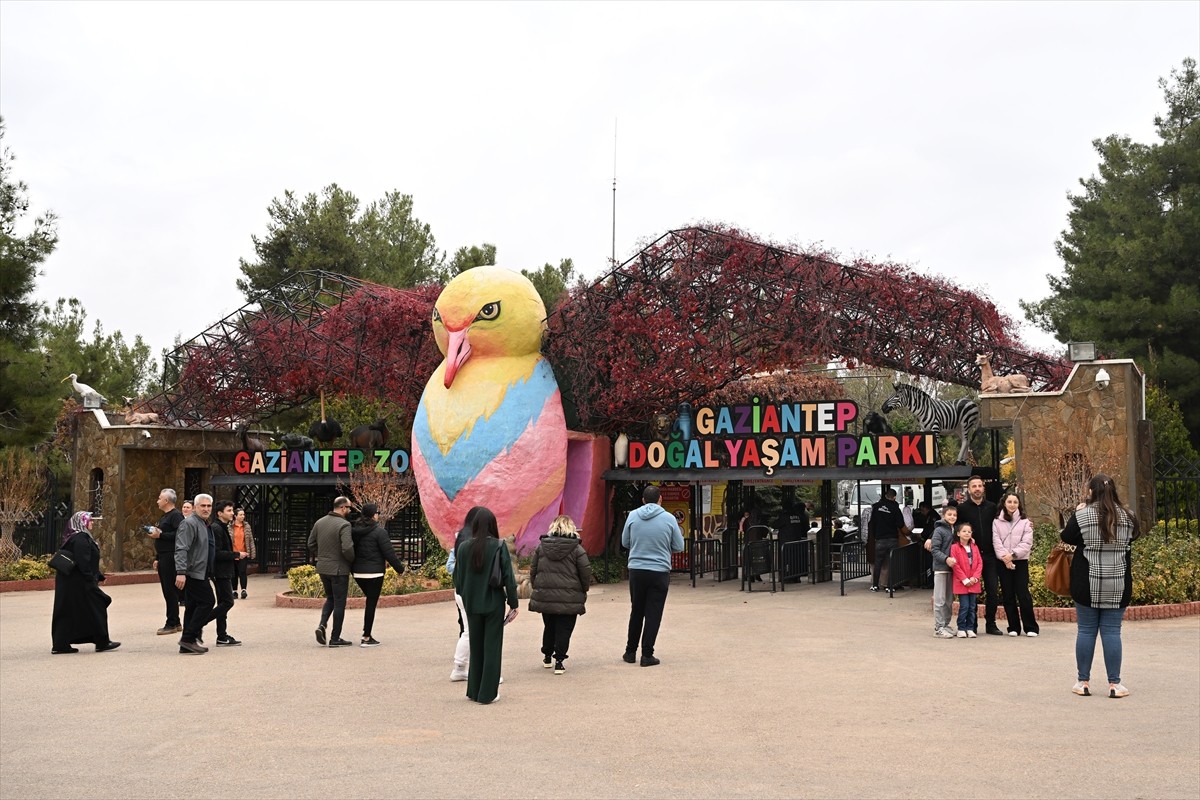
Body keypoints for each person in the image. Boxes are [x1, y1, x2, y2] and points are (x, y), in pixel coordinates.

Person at [1061, 473, 1141, 699]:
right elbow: (1134, 537)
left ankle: (1083, 681)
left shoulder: (1083, 515)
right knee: (1112, 631)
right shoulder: (1129, 516)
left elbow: (1067, 537)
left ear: (1090, 491)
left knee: (1086, 630)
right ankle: (1115, 683)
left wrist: (1078, 513)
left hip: (1086, 581)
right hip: (1118, 581)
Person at [452, 507, 518, 704]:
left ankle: (473, 690)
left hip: (472, 604)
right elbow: (509, 577)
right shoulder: (499, 545)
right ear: (492, 524)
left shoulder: (463, 548)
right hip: (493, 603)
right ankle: (488, 692)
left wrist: (467, 596)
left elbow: (458, 579)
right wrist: (513, 603)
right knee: (492, 647)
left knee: (476, 646)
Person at [621, 485, 685, 667]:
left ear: (642, 500)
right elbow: (679, 546)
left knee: (637, 611)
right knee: (653, 614)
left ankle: (630, 651)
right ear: (660, 499)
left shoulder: (632, 516)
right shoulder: (669, 519)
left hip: (636, 570)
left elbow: (625, 542)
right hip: (659, 571)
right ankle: (647, 655)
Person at [51, 511, 120, 654]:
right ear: (82, 522)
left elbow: (84, 560)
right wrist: (91, 579)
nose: (92, 523)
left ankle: (61, 644)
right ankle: (102, 641)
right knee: (98, 605)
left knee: (69, 610)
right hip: (80, 582)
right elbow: (83, 561)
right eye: (90, 520)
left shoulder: (75, 536)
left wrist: (98, 575)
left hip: (72, 582)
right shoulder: (81, 538)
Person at [529, 515, 590, 674]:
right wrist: (584, 589)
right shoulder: (577, 549)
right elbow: (585, 573)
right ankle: (559, 661)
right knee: (565, 628)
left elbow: (533, 570)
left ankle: (547, 656)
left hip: (546, 595)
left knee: (549, 625)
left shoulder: (541, 547)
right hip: (569, 597)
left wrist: (538, 587)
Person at [350, 503, 406, 647]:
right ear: (374, 515)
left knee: (369, 601)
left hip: (357, 572)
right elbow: (389, 553)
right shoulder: (380, 532)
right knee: (371, 603)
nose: (378, 514)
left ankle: (366, 635)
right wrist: (400, 569)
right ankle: (366, 637)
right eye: (377, 512)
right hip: (374, 573)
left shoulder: (354, 531)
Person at [957, 475, 1001, 634]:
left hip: (990, 555)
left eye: (979, 486)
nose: (977, 489)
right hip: (970, 557)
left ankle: (991, 624)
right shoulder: (962, 509)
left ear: (983, 488)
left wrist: (1026, 522)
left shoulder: (992, 507)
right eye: (973, 486)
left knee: (992, 590)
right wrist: (931, 538)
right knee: (971, 591)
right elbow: (952, 526)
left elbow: (1006, 522)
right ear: (968, 490)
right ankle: (971, 625)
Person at [308, 496, 355, 648]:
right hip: (339, 569)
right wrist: (351, 560)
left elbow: (311, 543)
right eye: (348, 508)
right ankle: (335, 637)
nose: (349, 510)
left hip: (323, 568)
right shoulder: (344, 525)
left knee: (330, 599)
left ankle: (322, 625)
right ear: (342, 508)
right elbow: (347, 548)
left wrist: (322, 555)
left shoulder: (319, 522)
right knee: (340, 602)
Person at [175, 494, 217, 654]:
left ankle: (187, 643)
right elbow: (181, 548)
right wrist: (181, 572)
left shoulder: (204, 524)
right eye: (203, 506)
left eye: (208, 506)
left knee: (192, 606)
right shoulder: (190, 523)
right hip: (192, 573)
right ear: (195, 507)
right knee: (207, 601)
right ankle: (188, 637)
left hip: (201, 572)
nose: (206, 509)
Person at [993, 492, 1039, 638]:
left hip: (1020, 561)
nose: (1012, 505)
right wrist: (1005, 558)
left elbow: (1027, 543)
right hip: (1003, 562)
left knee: (1023, 594)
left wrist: (1012, 555)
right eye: (1009, 502)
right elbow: (996, 541)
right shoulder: (996, 521)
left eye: (1015, 502)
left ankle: (1031, 627)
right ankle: (1013, 626)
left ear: (1019, 504)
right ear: (1004, 503)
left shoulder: (1026, 522)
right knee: (1008, 595)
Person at [447, 507, 484, 681]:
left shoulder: (461, 537)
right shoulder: (478, 540)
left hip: (461, 590)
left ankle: (459, 667)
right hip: (475, 591)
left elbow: (451, 567)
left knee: (468, 631)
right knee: (481, 632)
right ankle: (484, 671)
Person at [147, 488, 184, 635]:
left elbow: (179, 535)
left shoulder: (176, 516)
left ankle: (172, 623)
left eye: (159, 498)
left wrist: (160, 535)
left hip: (170, 557)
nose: (157, 501)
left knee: (170, 591)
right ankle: (176, 621)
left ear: (166, 501)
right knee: (168, 591)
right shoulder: (165, 516)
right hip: (163, 556)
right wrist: (157, 557)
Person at [209, 500, 246, 647]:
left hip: (224, 571)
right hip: (220, 572)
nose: (232, 513)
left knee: (223, 603)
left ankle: (222, 636)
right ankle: (199, 623)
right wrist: (236, 554)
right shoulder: (217, 528)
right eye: (229, 510)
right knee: (227, 602)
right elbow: (216, 553)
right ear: (220, 513)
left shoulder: (223, 527)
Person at [927, 504, 958, 638]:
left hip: (952, 570)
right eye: (949, 514)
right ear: (943, 516)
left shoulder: (955, 530)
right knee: (939, 599)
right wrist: (946, 559)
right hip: (941, 569)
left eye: (954, 515)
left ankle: (946, 624)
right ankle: (939, 627)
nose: (952, 517)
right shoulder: (939, 530)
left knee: (949, 600)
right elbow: (935, 550)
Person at [949, 521, 983, 638]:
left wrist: (975, 577)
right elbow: (955, 565)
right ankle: (961, 628)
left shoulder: (974, 547)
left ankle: (970, 628)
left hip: (973, 582)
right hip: (962, 582)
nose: (967, 533)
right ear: (958, 533)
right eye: (964, 531)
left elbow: (979, 563)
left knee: (972, 606)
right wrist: (964, 579)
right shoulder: (954, 547)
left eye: (969, 531)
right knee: (964, 606)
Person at [868, 487, 903, 592]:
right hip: (892, 538)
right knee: (892, 562)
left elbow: (872, 523)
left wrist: (874, 536)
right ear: (894, 497)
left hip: (880, 539)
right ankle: (890, 586)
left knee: (878, 562)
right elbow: (900, 524)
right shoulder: (895, 508)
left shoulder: (877, 507)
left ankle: (875, 585)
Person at [229, 507, 255, 599]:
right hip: (233, 553)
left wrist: (252, 552)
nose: (243, 516)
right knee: (234, 573)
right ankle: (234, 591)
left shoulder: (247, 526)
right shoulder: (230, 527)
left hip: (243, 553)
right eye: (240, 514)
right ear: (235, 516)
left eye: (243, 514)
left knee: (242, 571)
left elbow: (250, 539)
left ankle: (244, 590)